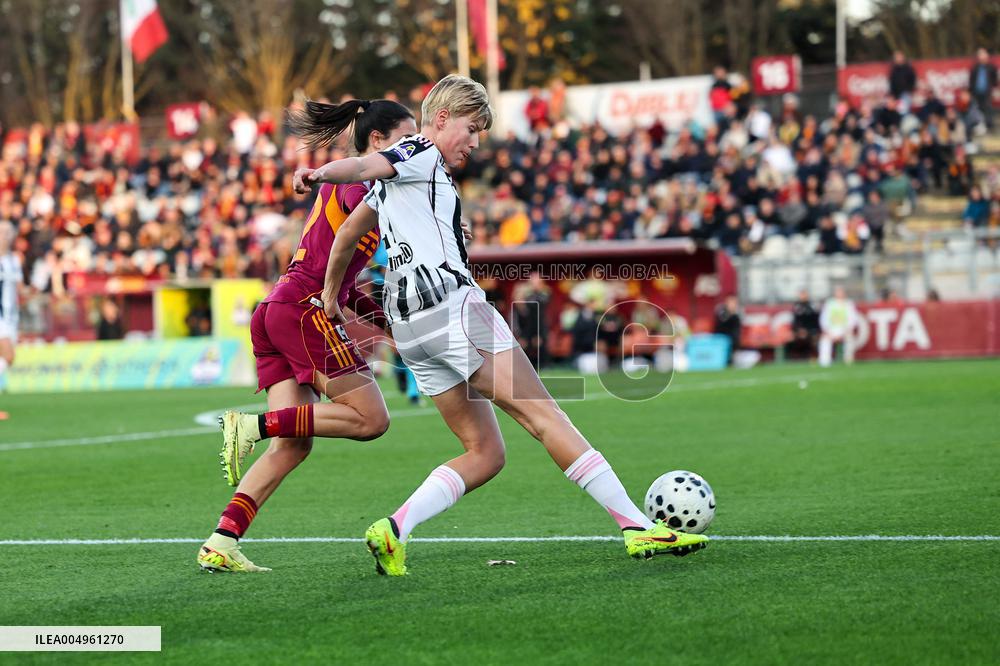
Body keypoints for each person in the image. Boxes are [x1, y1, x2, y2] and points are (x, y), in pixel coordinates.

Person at [295, 74, 707, 576]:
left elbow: (347, 235)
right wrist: (320, 174)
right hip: (452, 309)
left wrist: (334, 295)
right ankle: (637, 528)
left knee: (485, 452)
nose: (474, 142)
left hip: (412, 332)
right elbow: (362, 164)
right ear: (442, 118)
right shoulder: (420, 150)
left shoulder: (403, 184)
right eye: (472, 129)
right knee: (546, 415)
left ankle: (395, 528)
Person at [196, 98, 417, 573]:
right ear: (376, 143)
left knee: (294, 442)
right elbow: (348, 184)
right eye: (405, 138)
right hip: (301, 310)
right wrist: (318, 173)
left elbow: (343, 272)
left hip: (279, 308)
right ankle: (250, 426)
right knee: (371, 420)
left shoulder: (366, 191)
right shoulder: (365, 184)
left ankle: (222, 540)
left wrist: (385, 324)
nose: (413, 148)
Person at [0, 221, 22, 404]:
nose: (5, 235)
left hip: (10, 316)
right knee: (8, 355)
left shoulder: (13, 259)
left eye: (8, 232)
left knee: (6, 357)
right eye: (2, 232)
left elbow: (19, 288)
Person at [819, 286, 858, 367]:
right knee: (825, 340)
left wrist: (846, 331)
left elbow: (853, 319)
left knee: (850, 338)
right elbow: (824, 319)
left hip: (845, 330)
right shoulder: (830, 304)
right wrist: (827, 331)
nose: (840, 294)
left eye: (841, 292)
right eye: (838, 292)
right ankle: (825, 362)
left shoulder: (849, 304)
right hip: (832, 330)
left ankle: (848, 360)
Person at [969, 48, 997, 130]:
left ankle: (989, 126)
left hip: (987, 92)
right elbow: (971, 80)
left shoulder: (991, 67)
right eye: (980, 55)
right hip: (976, 92)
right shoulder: (975, 68)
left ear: (987, 56)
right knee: (977, 109)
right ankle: (980, 125)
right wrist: (971, 91)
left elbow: (994, 79)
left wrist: (993, 88)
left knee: (988, 108)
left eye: (983, 55)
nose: (981, 57)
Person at [787, 290, 819, 360]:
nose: (803, 296)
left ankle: (814, 356)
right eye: (802, 295)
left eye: (804, 295)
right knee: (793, 337)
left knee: (815, 338)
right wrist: (798, 329)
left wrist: (810, 330)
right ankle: (793, 357)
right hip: (799, 330)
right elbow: (795, 320)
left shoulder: (812, 305)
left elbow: (816, 319)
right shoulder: (797, 306)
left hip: (812, 329)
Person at [713, 295, 741, 364]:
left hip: (734, 340)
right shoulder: (722, 312)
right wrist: (729, 313)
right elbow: (721, 323)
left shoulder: (737, 314)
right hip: (722, 339)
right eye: (731, 302)